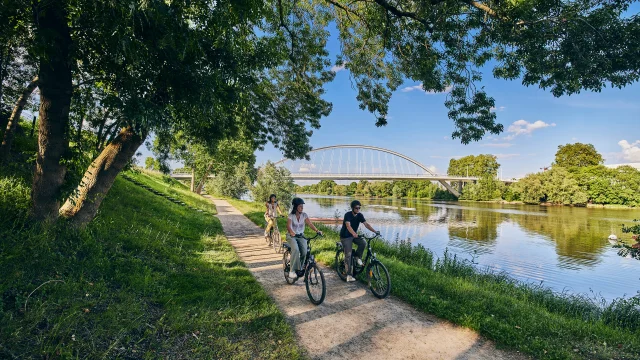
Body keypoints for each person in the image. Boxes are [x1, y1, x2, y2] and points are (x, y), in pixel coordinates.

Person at [339, 200, 380, 282]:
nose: (358, 209)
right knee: (348, 254)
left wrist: (375, 231)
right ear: (352, 208)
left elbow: (366, 224)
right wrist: (354, 233)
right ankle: (349, 275)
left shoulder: (360, 215)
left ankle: (357, 257)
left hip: (354, 235)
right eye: (356, 208)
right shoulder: (348, 215)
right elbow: (348, 226)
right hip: (346, 236)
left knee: (363, 242)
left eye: (359, 208)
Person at [286, 197, 322, 279]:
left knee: (304, 252)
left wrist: (317, 230)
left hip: (301, 236)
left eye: (302, 206)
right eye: (300, 206)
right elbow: (288, 226)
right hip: (291, 236)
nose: (302, 208)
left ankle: (300, 268)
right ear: (295, 207)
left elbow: (309, 224)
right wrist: (291, 232)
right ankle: (291, 271)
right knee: (295, 249)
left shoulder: (304, 215)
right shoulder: (291, 215)